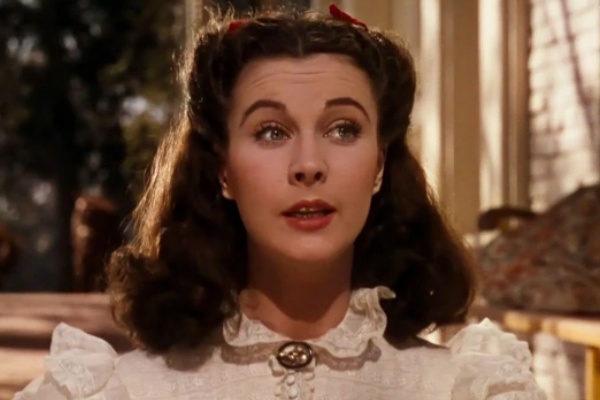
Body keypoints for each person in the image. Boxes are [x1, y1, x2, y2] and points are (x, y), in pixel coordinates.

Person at [14, 5, 546, 400]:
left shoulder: (465, 389)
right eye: (271, 131)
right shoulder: (122, 391)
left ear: (380, 166)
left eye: (342, 129)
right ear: (223, 171)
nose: (308, 164)